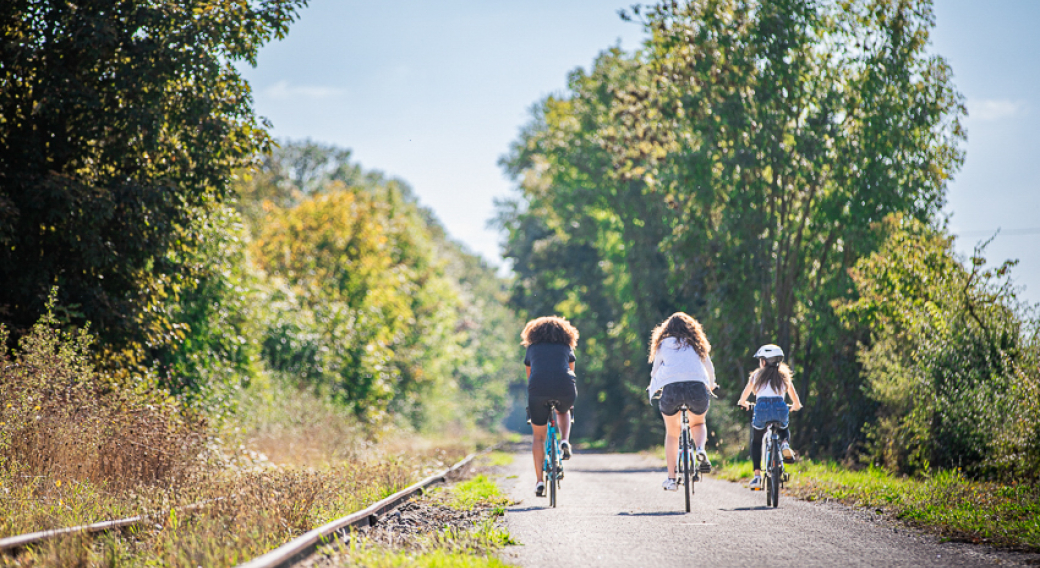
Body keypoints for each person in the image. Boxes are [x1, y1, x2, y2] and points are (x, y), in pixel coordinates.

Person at [646, 312, 718, 492]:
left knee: (672, 433)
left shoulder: (663, 344)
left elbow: (654, 372)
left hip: (671, 390)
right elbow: (709, 368)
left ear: (667, 329)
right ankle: (700, 449)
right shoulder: (697, 343)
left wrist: (655, 383)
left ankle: (671, 479)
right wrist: (711, 385)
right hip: (697, 388)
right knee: (699, 422)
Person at [522, 316, 579, 497]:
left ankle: (539, 481)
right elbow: (571, 371)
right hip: (565, 388)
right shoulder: (565, 348)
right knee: (564, 409)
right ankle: (564, 440)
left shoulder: (532, 349)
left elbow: (530, 376)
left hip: (538, 389)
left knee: (538, 437)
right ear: (565, 332)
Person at [737, 344, 804, 491]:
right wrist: (796, 406)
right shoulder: (784, 376)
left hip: (761, 409)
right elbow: (795, 399)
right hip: (780, 408)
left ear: (764, 361)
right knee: (784, 428)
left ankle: (756, 476)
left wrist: (743, 403)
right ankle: (785, 444)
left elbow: (744, 396)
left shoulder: (756, 376)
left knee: (756, 440)